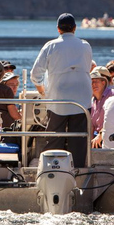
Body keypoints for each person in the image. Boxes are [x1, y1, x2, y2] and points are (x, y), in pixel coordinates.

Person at [30, 13, 93, 167]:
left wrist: (42, 91)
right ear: (75, 28)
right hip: (82, 97)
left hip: (58, 97)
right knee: (78, 139)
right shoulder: (85, 45)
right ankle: (77, 171)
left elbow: (35, 74)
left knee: (54, 137)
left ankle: (52, 169)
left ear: (58, 29)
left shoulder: (51, 46)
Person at [90, 67, 114, 148]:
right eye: (91, 82)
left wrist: (100, 135)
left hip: (111, 136)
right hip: (98, 138)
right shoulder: (92, 101)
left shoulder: (113, 94)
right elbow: (92, 126)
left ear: (103, 82)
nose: (93, 84)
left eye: (96, 81)